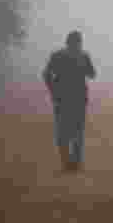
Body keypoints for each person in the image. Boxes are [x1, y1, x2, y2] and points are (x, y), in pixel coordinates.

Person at [42, 30, 96, 171]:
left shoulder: (58, 56)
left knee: (64, 133)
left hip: (63, 99)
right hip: (75, 100)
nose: (77, 45)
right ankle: (73, 163)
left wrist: (53, 89)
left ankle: (68, 163)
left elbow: (46, 74)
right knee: (75, 132)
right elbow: (92, 74)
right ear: (78, 43)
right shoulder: (83, 56)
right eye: (78, 42)